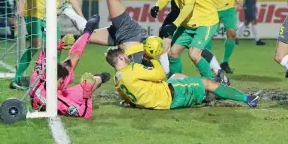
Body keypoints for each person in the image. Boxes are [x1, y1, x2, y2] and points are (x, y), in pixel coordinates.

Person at [105, 47, 260, 110]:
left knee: (177, 76)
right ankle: (247, 98)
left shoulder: (117, 80)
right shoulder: (132, 68)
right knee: (208, 83)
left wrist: (131, 103)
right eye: (124, 55)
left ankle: (205, 93)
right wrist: (152, 58)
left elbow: (127, 98)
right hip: (171, 96)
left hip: (158, 100)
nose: (128, 56)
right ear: (119, 57)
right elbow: (160, 74)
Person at [30, 15, 110, 119]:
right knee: (92, 82)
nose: (65, 81)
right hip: (56, 96)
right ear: (59, 80)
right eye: (63, 80)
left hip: (52, 89)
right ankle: (99, 78)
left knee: (74, 58)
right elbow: (84, 114)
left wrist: (59, 45)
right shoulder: (56, 101)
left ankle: (88, 31)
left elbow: (43, 55)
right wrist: (87, 93)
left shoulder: (38, 74)